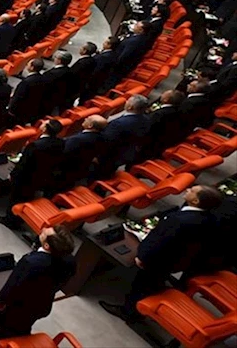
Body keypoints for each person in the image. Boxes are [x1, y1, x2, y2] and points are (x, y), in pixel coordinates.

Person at [101, 186, 223, 321]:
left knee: (141, 285)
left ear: (196, 201)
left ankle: (129, 312)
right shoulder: (208, 218)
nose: (187, 189)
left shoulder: (181, 220)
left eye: (192, 191)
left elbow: (162, 242)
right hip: (175, 261)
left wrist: (143, 257)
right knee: (152, 283)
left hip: (158, 261)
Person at [0, 225, 76, 339]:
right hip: (41, 305)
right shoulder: (70, 261)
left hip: (18, 307)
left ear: (47, 246)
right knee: (24, 326)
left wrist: (1, 301)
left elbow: (14, 285)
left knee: (8, 328)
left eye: (44, 233)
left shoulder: (30, 262)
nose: (42, 230)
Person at [0, 119, 66, 229]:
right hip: (42, 176)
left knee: (16, 198)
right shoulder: (60, 143)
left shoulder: (35, 145)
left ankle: (10, 220)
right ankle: (19, 219)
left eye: (44, 124)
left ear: (45, 129)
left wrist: (13, 175)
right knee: (27, 196)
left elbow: (23, 164)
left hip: (25, 177)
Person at [96, 94, 150, 179]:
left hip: (108, 157)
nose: (126, 102)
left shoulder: (119, 124)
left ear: (130, 107)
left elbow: (106, 141)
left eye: (128, 101)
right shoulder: (146, 120)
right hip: (125, 154)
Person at [55, 115, 106, 192]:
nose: (85, 118)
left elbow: (64, 153)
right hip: (81, 167)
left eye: (88, 119)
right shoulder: (101, 138)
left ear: (90, 125)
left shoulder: (77, 140)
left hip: (65, 169)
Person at [9, 58, 47, 124]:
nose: (26, 65)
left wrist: (11, 110)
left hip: (20, 110)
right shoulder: (43, 78)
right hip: (33, 107)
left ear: (32, 67)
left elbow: (18, 97)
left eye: (28, 64)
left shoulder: (26, 82)